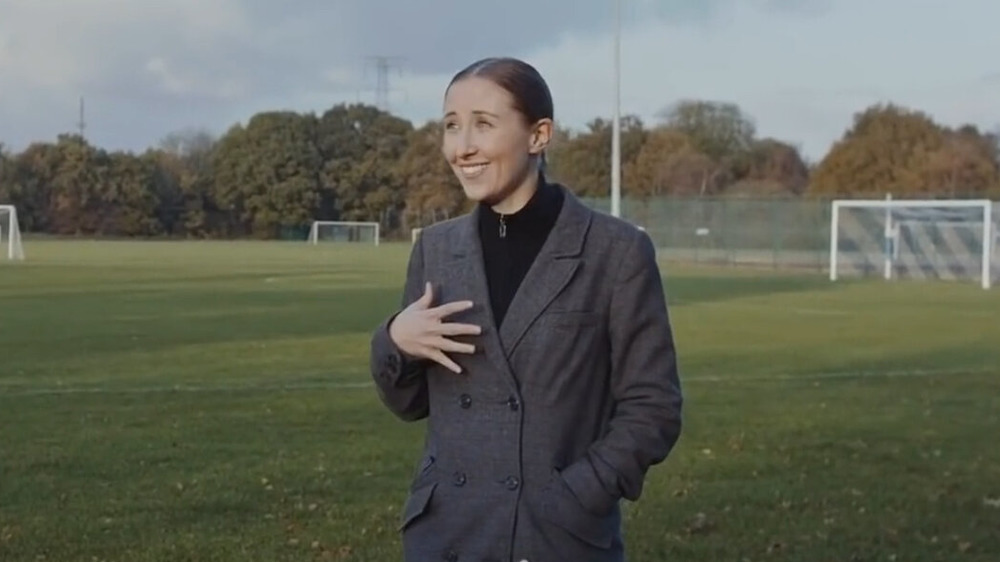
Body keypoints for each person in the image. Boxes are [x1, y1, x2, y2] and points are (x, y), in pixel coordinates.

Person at [369, 56, 683, 562]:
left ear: (539, 135)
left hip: (555, 539)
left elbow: (654, 407)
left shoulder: (615, 251)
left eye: (483, 125)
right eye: (451, 126)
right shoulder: (436, 249)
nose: (462, 146)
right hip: (446, 537)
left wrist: (579, 495)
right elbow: (410, 404)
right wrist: (395, 343)